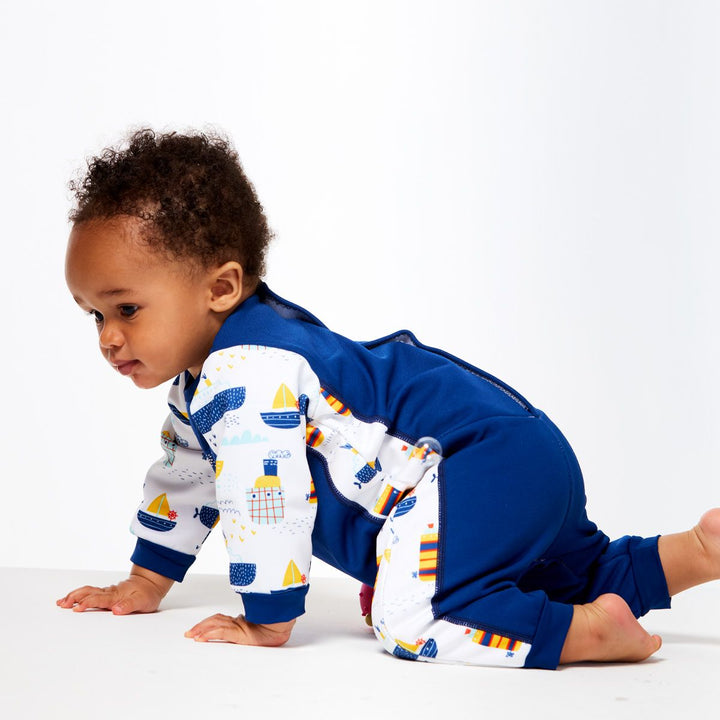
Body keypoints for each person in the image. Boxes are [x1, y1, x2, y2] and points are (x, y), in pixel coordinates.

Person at [58, 128, 720, 669]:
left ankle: (585, 635)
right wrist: (147, 581)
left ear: (222, 288)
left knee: (416, 616)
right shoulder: (210, 381)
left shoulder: (249, 371)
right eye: (94, 315)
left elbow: (266, 500)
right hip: (510, 449)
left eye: (128, 308)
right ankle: (693, 552)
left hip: (472, 462)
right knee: (566, 568)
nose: (110, 338)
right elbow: (186, 479)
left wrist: (268, 618)